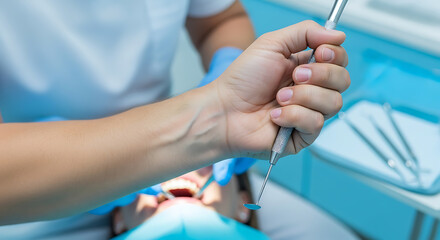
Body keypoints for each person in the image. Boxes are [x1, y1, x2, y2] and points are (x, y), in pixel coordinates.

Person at [0, 2, 349, 239]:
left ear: (243, 207)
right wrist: (207, 125)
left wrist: (226, 71)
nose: (174, 177)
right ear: (118, 219)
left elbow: (220, 18)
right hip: (33, 189)